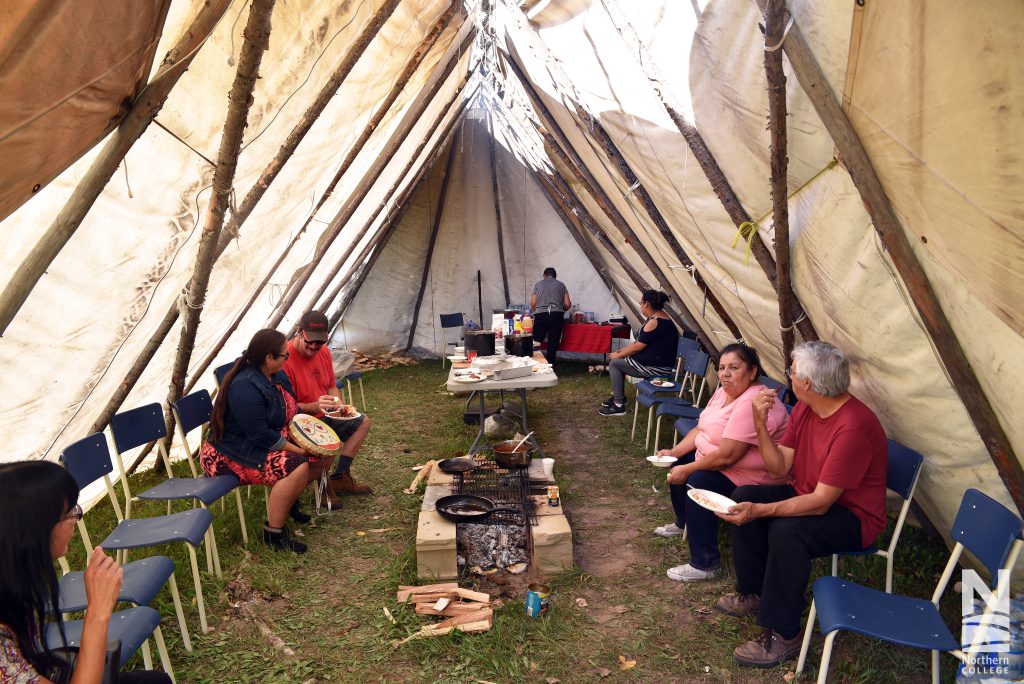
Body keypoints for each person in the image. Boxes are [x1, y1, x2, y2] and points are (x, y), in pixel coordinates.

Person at [714, 341, 887, 667]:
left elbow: (821, 503)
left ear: (806, 383)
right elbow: (779, 468)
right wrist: (760, 426)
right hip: (811, 493)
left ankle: (784, 633)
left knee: (786, 531)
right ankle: (754, 592)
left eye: (791, 372)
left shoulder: (853, 427)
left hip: (853, 516)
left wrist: (761, 512)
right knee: (744, 497)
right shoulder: (808, 407)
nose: (787, 376)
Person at [0, 460, 172, 683]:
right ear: (33, 531)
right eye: (69, 512)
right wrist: (97, 613)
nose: (76, 519)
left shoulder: (13, 584)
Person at [653, 344, 789, 582]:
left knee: (697, 480)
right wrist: (674, 452)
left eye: (734, 368)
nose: (725, 374)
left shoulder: (752, 402)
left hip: (750, 475)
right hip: (721, 461)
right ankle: (684, 521)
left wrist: (688, 468)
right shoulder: (725, 391)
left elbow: (728, 455)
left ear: (753, 371)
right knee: (678, 463)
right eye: (722, 368)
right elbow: (701, 428)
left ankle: (705, 564)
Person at [201, 328, 316, 553]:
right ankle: (274, 535)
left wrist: (308, 438)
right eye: (284, 355)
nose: (287, 359)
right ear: (268, 357)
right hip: (231, 454)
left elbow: (287, 408)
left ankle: (288, 503)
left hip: (255, 444)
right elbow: (260, 435)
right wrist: (300, 450)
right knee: (297, 465)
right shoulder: (245, 385)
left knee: (320, 458)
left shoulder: (274, 374)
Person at [283, 311, 373, 499]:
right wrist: (315, 406)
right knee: (328, 439)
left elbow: (331, 386)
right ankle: (322, 486)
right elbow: (286, 407)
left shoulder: (323, 352)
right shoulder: (284, 359)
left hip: (322, 414)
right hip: (298, 421)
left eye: (320, 342)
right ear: (299, 332)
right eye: (310, 341)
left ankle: (340, 477)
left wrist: (340, 405)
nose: (315, 346)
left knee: (362, 422)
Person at [598, 289, 679, 416]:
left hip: (656, 369)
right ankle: (619, 397)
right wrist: (622, 351)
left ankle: (618, 404)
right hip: (658, 364)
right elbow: (638, 343)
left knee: (614, 363)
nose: (641, 305)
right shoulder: (660, 317)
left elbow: (638, 347)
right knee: (617, 360)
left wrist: (618, 355)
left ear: (646, 304)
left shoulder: (654, 322)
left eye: (641, 302)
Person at [530, 267, 571, 364]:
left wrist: (538, 310)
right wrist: (561, 310)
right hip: (557, 315)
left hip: (541, 314)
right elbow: (568, 304)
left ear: (544, 275)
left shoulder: (538, 285)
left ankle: (534, 363)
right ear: (555, 276)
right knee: (553, 342)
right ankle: (550, 366)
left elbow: (533, 303)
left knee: (536, 341)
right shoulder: (561, 285)